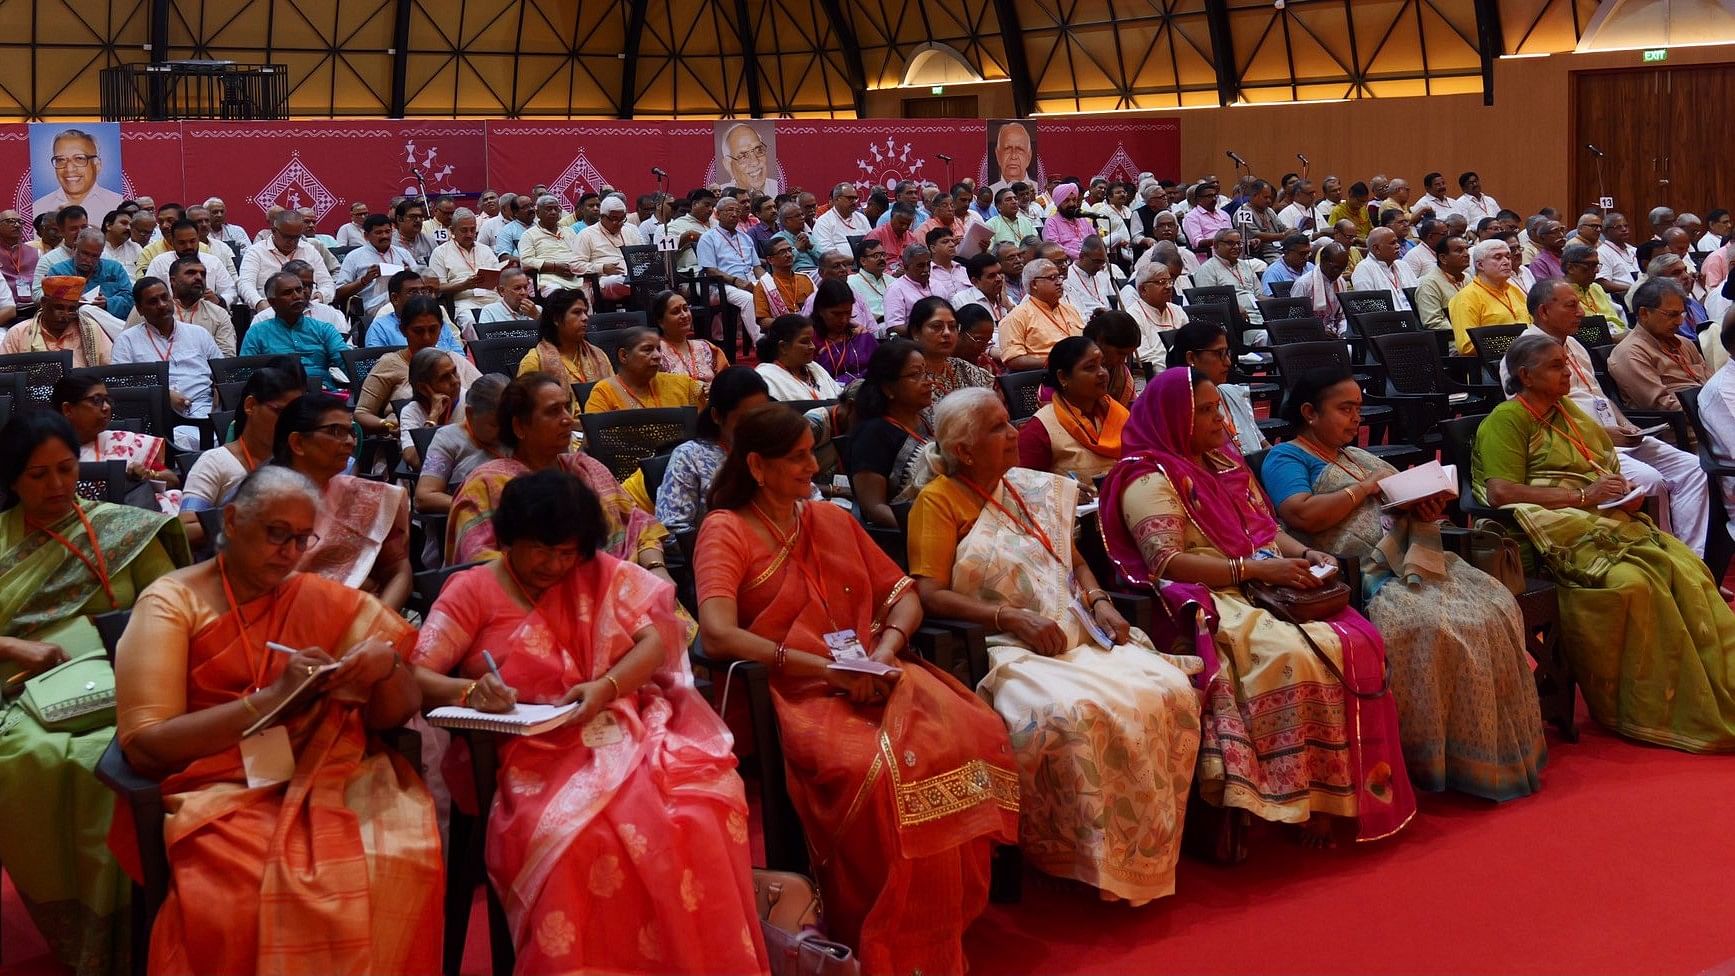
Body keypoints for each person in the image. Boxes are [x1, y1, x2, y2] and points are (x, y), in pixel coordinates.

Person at [695, 404, 1018, 973]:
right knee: (880, 770)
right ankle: (882, 926)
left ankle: (942, 920)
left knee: (970, 735)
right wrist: (825, 672)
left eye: (811, 454)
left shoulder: (830, 519)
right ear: (756, 466)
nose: (812, 467)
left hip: (875, 669)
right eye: (795, 458)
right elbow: (718, 635)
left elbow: (903, 594)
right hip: (799, 691)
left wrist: (885, 651)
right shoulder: (725, 529)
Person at [412, 469, 767, 974]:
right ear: (509, 537)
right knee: (580, 839)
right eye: (541, 550)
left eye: (566, 553)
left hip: (619, 726)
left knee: (700, 808)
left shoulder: (594, 571)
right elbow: (419, 673)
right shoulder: (472, 590)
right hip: (527, 752)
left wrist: (607, 686)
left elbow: (653, 643)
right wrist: (471, 690)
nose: (554, 566)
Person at [112, 465, 439, 974]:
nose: (289, 552)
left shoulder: (315, 597)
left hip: (324, 768)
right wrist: (273, 698)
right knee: (241, 893)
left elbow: (399, 710)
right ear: (234, 520)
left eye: (301, 539)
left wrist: (387, 668)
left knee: (397, 855)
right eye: (275, 534)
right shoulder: (172, 602)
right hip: (216, 786)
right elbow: (146, 744)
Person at [1100, 367, 1415, 845]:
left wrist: (1304, 553)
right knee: (1291, 656)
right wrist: (1254, 571)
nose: (1219, 422)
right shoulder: (1149, 476)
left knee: (1361, 638)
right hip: (1214, 590)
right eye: (1203, 411)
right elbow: (1165, 561)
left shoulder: (1222, 463)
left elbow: (1265, 532)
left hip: (1266, 577)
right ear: (1173, 416)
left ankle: (1343, 792)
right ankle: (1293, 800)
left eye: (1217, 409)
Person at [908, 388, 1200, 903]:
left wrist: (1098, 600)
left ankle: (1149, 844)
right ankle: (1083, 854)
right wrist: (1008, 616)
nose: (1015, 434)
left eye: (1009, 422)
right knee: (1076, 711)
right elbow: (929, 593)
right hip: (1004, 643)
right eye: (998, 428)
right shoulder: (938, 502)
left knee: (1166, 686)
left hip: (1074, 626)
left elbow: (1071, 559)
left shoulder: (1031, 488)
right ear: (965, 450)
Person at [1261, 367, 1546, 800]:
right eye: (1345, 409)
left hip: (1414, 558)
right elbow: (1301, 515)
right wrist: (1366, 490)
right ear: (1309, 413)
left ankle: (1493, 750)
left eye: (1358, 408)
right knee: (1434, 626)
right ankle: (1428, 760)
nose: (1356, 418)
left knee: (1495, 608)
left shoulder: (1358, 458)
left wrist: (1424, 507)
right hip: (1365, 574)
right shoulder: (1288, 457)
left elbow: (1397, 503)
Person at [1474, 335, 1735, 752]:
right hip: (1540, 534)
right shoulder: (1507, 419)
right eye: (1556, 366)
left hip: (1594, 519)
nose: (1567, 371)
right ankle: (1637, 704)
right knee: (1632, 583)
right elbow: (1502, 493)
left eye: (1565, 362)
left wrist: (1617, 490)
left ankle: (1703, 683)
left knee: (1685, 566)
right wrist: (1583, 497)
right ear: (1525, 376)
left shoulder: (1567, 412)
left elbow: (1598, 467)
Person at [0, 410, 188, 976]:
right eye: (38, 476)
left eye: (66, 469)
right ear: (11, 480)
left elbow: (175, 606)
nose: (58, 486)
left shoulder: (120, 529)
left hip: (130, 683)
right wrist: (13, 646)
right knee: (36, 756)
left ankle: (144, 923)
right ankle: (80, 924)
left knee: (127, 756)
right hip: (22, 692)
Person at [1501, 278, 1710, 555]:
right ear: (1543, 312)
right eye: (1571, 306)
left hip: (1614, 435)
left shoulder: (1574, 344)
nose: (1581, 312)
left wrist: (1626, 424)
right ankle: (1666, 555)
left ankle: (1696, 556)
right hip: (1579, 444)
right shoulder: (1521, 355)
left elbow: (1599, 397)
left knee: (1693, 468)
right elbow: (1534, 415)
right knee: (1650, 479)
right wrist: (1601, 434)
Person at [447, 373, 671, 576]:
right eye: (553, 411)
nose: (567, 419)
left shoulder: (587, 468)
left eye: (566, 408)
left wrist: (656, 568)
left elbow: (640, 524)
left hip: (628, 589)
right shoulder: (486, 484)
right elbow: (481, 562)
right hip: (537, 608)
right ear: (519, 427)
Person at [272, 394, 413, 611]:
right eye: (335, 432)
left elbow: (399, 572)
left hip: (369, 623)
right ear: (298, 443)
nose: (349, 441)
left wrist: (377, 623)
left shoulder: (365, 496)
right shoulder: (263, 505)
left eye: (350, 432)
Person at [110, 275, 222, 449]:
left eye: (165, 298)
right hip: (158, 419)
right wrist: (163, 396)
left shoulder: (198, 333)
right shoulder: (127, 341)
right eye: (153, 301)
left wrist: (218, 391)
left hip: (206, 411)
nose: (162, 305)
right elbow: (122, 389)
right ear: (140, 309)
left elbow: (221, 372)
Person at [52, 374, 182, 512]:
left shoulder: (122, 441)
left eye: (107, 400)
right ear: (68, 409)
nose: (106, 407)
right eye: (96, 400)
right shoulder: (44, 452)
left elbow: (173, 480)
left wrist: (147, 474)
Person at [354, 295, 482, 435]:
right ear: (403, 330)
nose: (426, 337)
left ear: (441, 329)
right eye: (418, 331)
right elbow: (361, 413)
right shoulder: (390, 364)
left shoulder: (453, 361)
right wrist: (391, 425)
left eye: (433, 330)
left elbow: (484, 396)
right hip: (405, 445)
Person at [1015, 334, 1127, 483]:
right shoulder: (1041, 429)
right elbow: (1024, 486)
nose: (1102, 373)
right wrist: (1063, 492)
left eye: (1103, 365)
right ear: (1063, 377)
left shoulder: (1117, 413)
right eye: (1090, 367)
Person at [849, 339, 937, 526]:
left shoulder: (925, 420)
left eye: (926, 372)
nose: (928, 381)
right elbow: (874, 509)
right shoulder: (873, 434)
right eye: (915, 374)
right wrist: (922, 532)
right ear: (888, 388)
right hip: (912, 534)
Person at [1607, 277, 1710, 417]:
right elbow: (1662, 406)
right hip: (1687, 429)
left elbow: (1712, 382)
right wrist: (1713, 412)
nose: (1680, 322)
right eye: (1672, 315)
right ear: (1644, 314)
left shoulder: (1685, 343)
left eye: (1681, 314)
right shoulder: (1630, 354)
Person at [1164, 319, 1266, 455]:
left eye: (1227, 353)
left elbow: (1263, 445)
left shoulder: (1233, 393)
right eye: (1220, 354)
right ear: (1191, 358)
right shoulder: (1179, 410)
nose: (1228, 362)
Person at [239, 271, 349, 393]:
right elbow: (245, 377)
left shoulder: (324, 329)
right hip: (277, 397)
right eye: (287, 293)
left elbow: (348, 364)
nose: (297, 296)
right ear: (272, 302)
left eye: (299, 290)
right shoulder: (257, 332)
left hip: (322, 396)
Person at [516, 288, 614, 403]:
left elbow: (614, 395)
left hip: (600, 419)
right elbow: (525, 409)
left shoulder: (599, 355)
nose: (585, 318)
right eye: (577, 312)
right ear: (556, 319)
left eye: (585, 312)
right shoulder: (534, 361)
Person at [585, 325, 704, 412]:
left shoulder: (680, 384)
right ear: (624, 356)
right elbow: (593, 441)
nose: (657, 356)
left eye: (658, 349)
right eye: (647, 349)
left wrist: (710, 391)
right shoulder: (604, 392)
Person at [2, 274, 112, 366]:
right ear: (44, 303)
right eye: (59, 308)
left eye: (71, 309)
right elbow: (5, 375)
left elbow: (109, 370)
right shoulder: (19, 333)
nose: (65, 315)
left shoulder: (91, 330)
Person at [998, 258, 1085, 370]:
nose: (1059, 282)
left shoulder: (1070, 309)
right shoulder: (1016, 317)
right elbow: (1013, 360)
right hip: (1045, 376)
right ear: (1034, 284)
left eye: (1059, 277)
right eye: (1052, 278)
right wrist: (1057, 362)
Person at [1447, 239, 1531, 354]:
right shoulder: (1466, 298)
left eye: (1508, 257)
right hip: (1491, 365)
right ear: (1480, 265)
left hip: (1526, 357)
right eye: (1498, 257)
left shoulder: (1514, 291)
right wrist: (1513, 345)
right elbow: (1466, 346)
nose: (1506, 262)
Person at [33, 128, 125, 218]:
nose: (69, 169)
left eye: (79, 159)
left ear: (97, 165)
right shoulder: (39, 207)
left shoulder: (118, 204)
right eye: (60, 160)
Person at [753, 313, 842, 401]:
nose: (813, 347)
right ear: (783, 347)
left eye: (811, 341)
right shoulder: (766, 376)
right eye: (805, 342)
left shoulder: (814, 367)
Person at [809, 277, 878, 385]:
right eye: (836, 314)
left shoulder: (861, 336)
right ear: (820, 310)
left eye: (848, 312)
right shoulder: (810, 341)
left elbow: (880, 368)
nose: (844, 320)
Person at [752, 235, 815, 335]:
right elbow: (763, 321)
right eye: (782, 252)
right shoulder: (763, 286)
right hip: (783, 335)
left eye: (790, 250)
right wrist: (791, 324)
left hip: (810, 330)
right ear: (770, 260)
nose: (789, 254)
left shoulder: (805, 279)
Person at [812, 182, 872, 257]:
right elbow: (825, 252)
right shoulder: (824, 222)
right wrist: (848, 259)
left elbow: (872, 244)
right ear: (837, 199)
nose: (854, 202)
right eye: (850, 198)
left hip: (865, 264)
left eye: (855, 198)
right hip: (839, 266)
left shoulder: (862, 218)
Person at [477, 266, 542, 324]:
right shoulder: (490, 311)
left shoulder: (537, 310)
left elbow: (549, 336)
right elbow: (486, 336)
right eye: (517, 288)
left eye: (525, 287)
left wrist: (537, 316)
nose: (523, 292)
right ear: (502, 290)